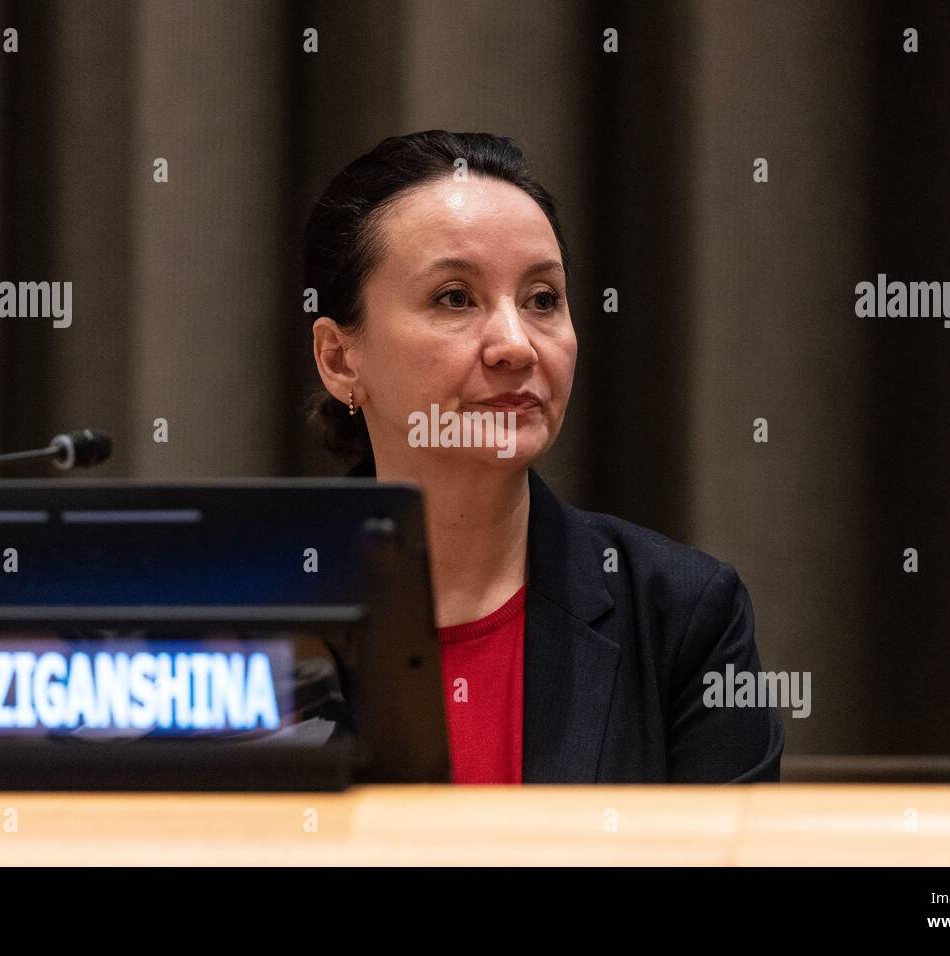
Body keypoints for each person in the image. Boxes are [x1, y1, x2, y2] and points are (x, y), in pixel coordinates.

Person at [305, 130, 784, 784]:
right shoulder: (249, 617)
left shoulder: (682, 614)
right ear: (339, 358)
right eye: (455, 298)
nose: (516, 345)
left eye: (542, 301)